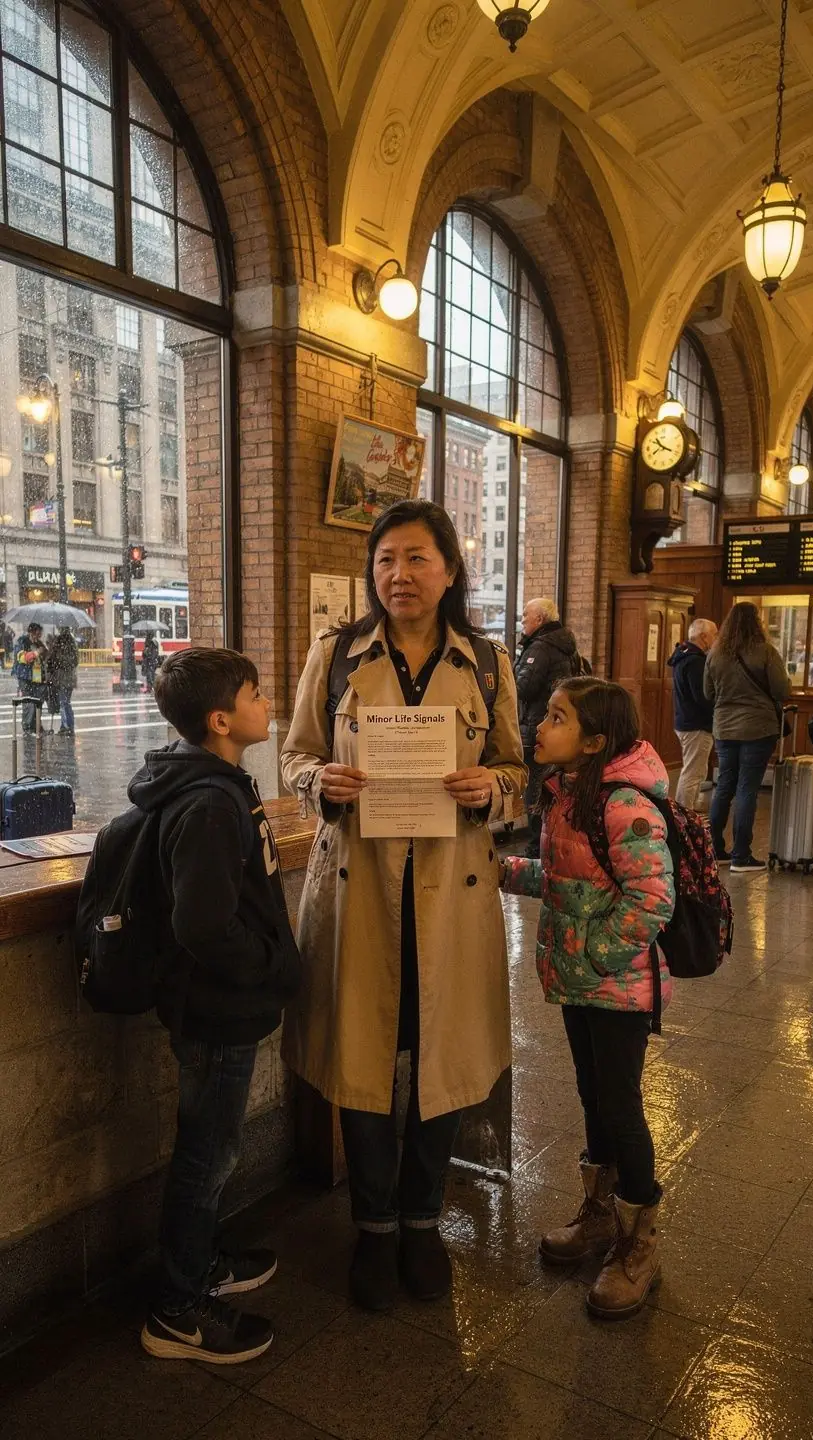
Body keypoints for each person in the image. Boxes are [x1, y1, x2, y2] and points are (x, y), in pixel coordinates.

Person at [281, 499, 525, 1313]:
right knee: (362, 1064)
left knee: (441, 1063)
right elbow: (293, 756)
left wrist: (492, 786)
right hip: (360, 895)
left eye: (417, 558)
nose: (399, 574)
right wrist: (323, 782)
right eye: (386, 559)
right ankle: (373, 1229)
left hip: (452, 900)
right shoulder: (339, 652)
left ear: (449, 568)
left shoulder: (486, 663)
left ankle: (423, 1223)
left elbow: (517, 773)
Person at [134, 648, 302, 1365]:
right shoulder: (206, 801)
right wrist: (269, 967)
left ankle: (199, 1265)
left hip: (221, 1006)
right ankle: (175, 1310)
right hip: (216, 1010)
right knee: (207, 1155)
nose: (269, 704)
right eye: (256, 694)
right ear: (220, 719)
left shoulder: (219, 781)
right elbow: (201, 924)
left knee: (215, 1148)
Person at [500, 678, 674, 1320]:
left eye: (556, 718)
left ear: (594, 741)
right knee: (592, 1095)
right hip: (580, 976)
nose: (540, 727)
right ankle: (600, 1215)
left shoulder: (626, 805)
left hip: (616, 983)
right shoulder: (568, 795)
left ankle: (638, 1242)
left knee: (622, 1106)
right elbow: (570, 876)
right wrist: (505, 872)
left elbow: (652, 899)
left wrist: (597, 955)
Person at [704, 601, 790, 874]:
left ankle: (715, 850)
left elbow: (707, 694)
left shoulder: (715, 654)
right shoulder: (765, 651)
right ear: (757, 623)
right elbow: (781, 690)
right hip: (758, 729)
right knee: (747, 789)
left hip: (725, 729)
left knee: (724, 786)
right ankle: (742, 856)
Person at [514, 597, 578, 857]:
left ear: (539, 619)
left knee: (535, 789)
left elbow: (523, 688)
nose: (522, 621)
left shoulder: (540, 647)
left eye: (525, 616)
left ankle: (534, 849)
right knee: (550, 785)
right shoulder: (566, 644)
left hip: (536, 727)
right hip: (560, 729)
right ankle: (549, 842)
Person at [667, 618, 717, 811]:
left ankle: (688, 809)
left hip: (686, 721)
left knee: (696, 770)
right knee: (693, 772)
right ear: (703, 637)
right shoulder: (696, 662)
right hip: (696, 724)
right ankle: (684, 813)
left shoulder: (683, 655)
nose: (715, 639)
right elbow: (702, 697)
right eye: (714, 634)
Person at [13, 622, 47, 733]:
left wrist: (46, 651)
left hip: (37, 678)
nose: (39, 636)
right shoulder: (22, 642)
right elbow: (22, 658)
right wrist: (36, 653)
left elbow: (46, 657)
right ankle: (28, 727)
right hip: (25, 677)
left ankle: (37, 726)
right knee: (28, 703)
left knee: (38, 703)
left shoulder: (39, 643)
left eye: (40, 634)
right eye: (37, 634)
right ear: (31, 632)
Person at [47, 626, 79, 735]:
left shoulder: (60, 642)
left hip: (63, 677)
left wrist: (53, 651)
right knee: (65, 702)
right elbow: (75, 661)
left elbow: (53, 660)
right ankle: (65, 725)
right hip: (69, 678)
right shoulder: (71, 642)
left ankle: (67, 726)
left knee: (64, 702)